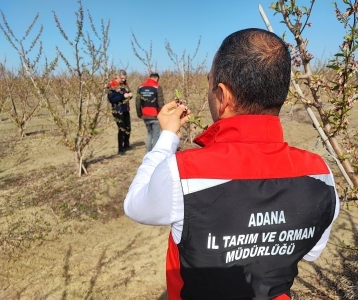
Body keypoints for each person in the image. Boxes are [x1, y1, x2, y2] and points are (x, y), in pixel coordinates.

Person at [124, 28, 340, 300]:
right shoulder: (321, 174)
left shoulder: (184, 172)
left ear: (223, 96)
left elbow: (134, 204)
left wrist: (167, 137)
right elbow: (312, 251)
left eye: (210, 84)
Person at [136, 73, 165, 152]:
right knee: (156, 135)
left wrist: (139, 114)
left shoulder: (140, 87)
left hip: (145, 115)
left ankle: (147, 152)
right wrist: (163, 114)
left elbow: (138, 102)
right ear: (156, 78)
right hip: (155, 115)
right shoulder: (157, 87)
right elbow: (160, 103)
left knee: (149, 134)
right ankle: (154, 154)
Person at [107, 70, 133, 155]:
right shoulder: (112, 85)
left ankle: (126, 144)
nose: (123, 80)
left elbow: (128, 93)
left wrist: (130, 95)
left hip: (126, 109)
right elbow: (112, 99)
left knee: (128, 128)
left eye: (124, 78)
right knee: (121, 129)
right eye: (121, 78)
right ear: (117, 76)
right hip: (118, 109)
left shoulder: (125, 84)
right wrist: (123, 96)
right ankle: (120, 149)